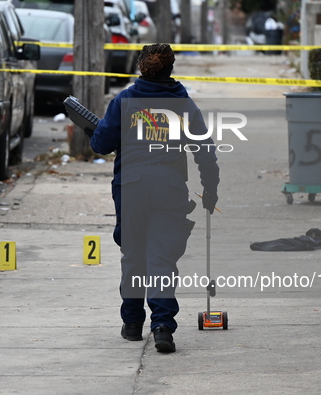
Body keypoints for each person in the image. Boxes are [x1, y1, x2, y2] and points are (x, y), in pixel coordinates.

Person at [87, 43, 219, 353]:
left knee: (133, 254)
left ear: (140, 68)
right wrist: (210, 189)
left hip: (131, 186)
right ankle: (162, 327)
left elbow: (100, 144)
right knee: (161, 257)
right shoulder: (184, 105)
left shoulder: (124, 100)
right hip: (169, 187)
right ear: (171, 69)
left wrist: (95, 133)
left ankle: (133, 324)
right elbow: (205, 151)